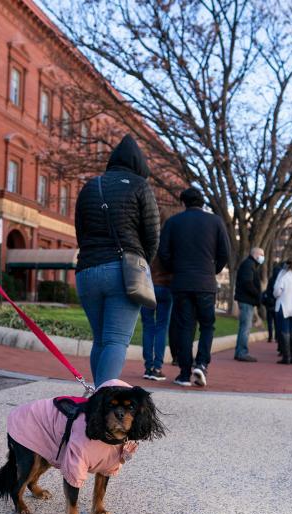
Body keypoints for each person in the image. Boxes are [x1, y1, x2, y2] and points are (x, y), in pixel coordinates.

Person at [74, 134, 160, 387]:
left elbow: (80, 231)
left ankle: (98, 397)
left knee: (100, 340)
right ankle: (103, 401)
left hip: (86, 270)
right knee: (116, 340)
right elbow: (152, 235)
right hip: (122, 271)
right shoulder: (139, 186)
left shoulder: (91, 186)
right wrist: (141, 265)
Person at [158, 187, 231, 387]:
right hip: (206, 282)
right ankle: (202, 363)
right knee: (207, 324)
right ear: (202, 202)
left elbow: (163, 253)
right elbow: (225, 253)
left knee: (186, 326)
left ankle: (183, 373)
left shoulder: (173, 223)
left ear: (183, 203)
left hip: (181, 282)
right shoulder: (216, 221)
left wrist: (177, 269)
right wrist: (212, 270)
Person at [141, 256, 173, 381]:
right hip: (165, 287)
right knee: (162, 327)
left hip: (147, 286)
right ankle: (157, 368)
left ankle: (148, 367)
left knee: (147, 326)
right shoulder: (169, 243)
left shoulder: (148, 241)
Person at [233, 247, 265, 362]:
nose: (263, 257)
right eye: (262, 254)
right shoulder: (248, 265)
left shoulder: (251, 265)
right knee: (245, 328)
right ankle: (242, 352)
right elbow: (248, 283)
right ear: (255, 254)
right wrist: (258, 295)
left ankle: (239, 351)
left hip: (247, 300)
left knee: (245, 327)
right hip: (246, 300)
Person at [262, 262, 281, 344]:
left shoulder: (271, 279)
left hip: (269, 303)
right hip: (276, 303)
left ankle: (270, 337)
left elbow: (268, 290)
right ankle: (276, 337)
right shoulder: (280, 280)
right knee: (277, 322)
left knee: (270, 322)